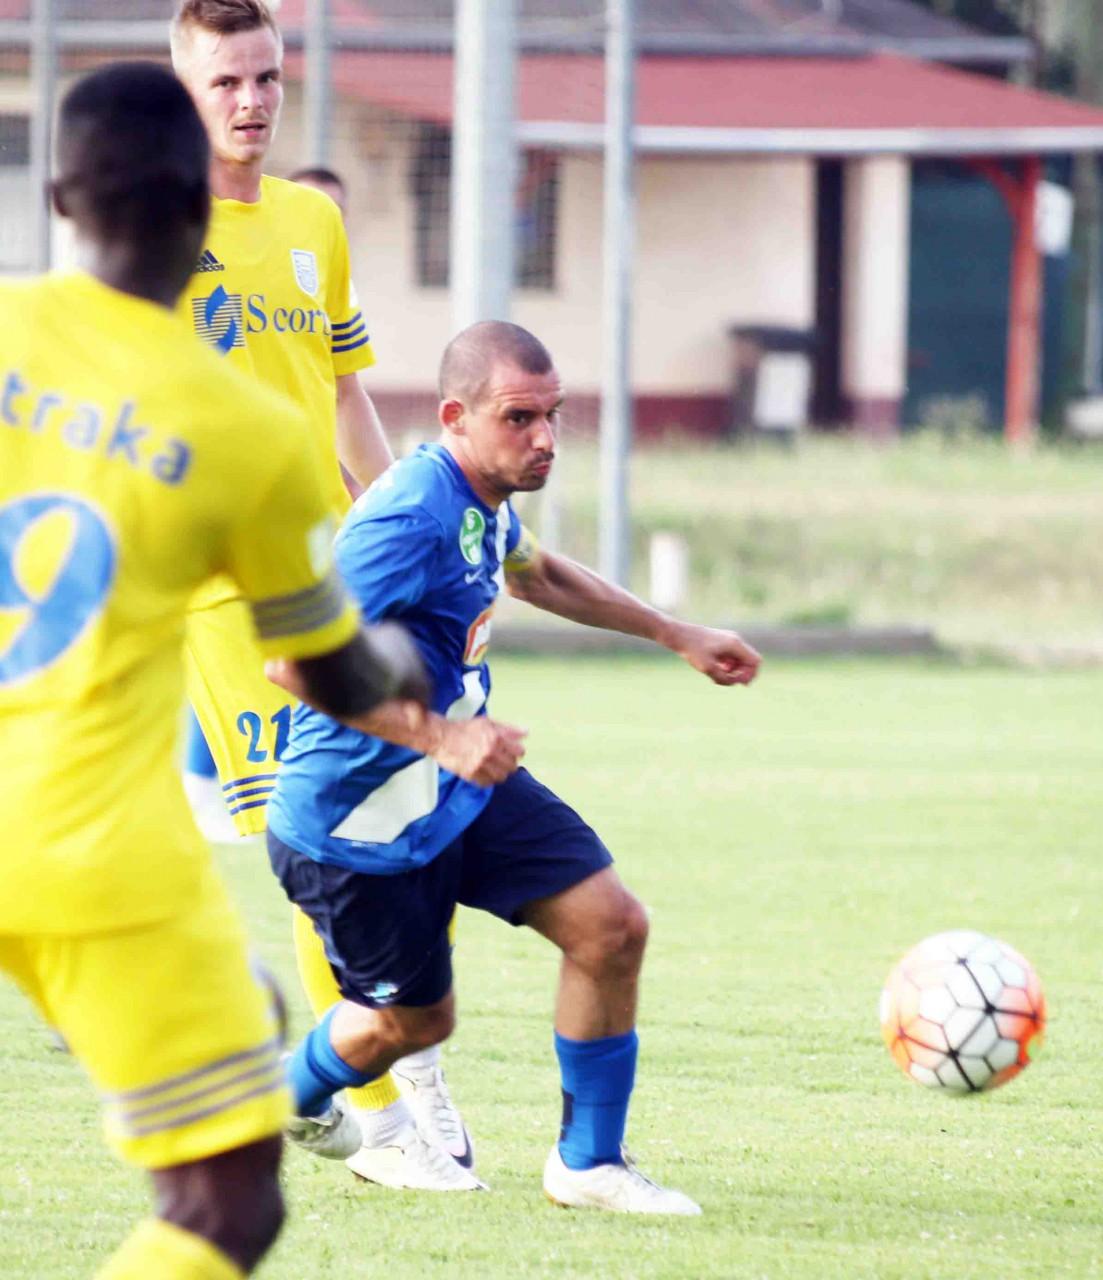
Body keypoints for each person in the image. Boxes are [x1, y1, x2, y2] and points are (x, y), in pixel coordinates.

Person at [0, 62, 424, 1279]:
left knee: (249, 1024)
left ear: (59, 197)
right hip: (87, 853)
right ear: (206, 204)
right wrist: (406, 646)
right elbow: (335, 671)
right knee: (222, 1199)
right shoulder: (247, 432)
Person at [266, 321, 763, 1214]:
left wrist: (674, 632)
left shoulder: (481, 498)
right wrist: (442, 737)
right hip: (357, 821)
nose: (544, 439)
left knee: (611, 927)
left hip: (458, 788)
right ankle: (273, 1097)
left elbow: (537, 575)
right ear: (455, 417)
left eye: (552, 415)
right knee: (411, 1023)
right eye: (518, 418)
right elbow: (296, 664)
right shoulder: (406, 517)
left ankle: (589, 1164)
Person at [169, 0, 477, 1191]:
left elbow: (345, 395)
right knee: (316, 834)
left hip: (335, 574)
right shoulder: (153, 230)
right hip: (221, 588)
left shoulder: (311, 220)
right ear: (184, 90)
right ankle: (390, 1117)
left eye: (265, 78)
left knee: (392, 815)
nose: (251, 100)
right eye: (225, 82)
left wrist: (413, 528)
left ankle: (395, 1072)